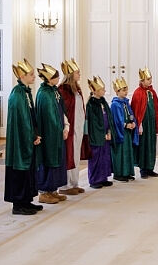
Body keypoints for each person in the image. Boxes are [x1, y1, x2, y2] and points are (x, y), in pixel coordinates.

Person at [4, 59, 43, 215]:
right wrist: (32, 136)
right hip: (21, 141)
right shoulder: (18, 94)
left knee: (29, 170)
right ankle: (18, 204)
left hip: (29, 138)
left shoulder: (26, 92)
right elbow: (22, 120)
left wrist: (36, 133)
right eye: (31, 74)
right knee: (21, 170)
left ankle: (27, 200)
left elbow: (31, 116)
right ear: (22, 76)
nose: (34, 77)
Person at [35, 63, 68, 204]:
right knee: (49, 159)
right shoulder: (43, 94)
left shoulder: (54, 91)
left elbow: (61, 110)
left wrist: (65, 127)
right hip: (49, 134)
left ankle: (53, 190)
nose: (58, 78)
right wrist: (57, 129)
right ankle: (44, 192)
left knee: (57, 160)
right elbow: (48, 116)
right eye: (56, 77)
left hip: (57, 132)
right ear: (49, 79)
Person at [58, 58, 85, 196]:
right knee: (68, 155)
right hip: (70, 127)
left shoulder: (77, 89)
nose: (79, 74)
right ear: (70, 74)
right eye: (77, 72)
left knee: (75, 155)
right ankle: (65, 185)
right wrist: (66, 126)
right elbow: (62, 110)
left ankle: (74, 183)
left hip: (78, 127)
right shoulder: (63, 90)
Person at [131, 68, 158, 179]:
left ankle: (150, 168)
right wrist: (139, 124)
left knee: (151, 145)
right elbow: (135, 111)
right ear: (142, 80)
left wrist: (157, 124)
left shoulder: (152, 92)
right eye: (148, 79)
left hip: (151, 124)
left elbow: (156, 108)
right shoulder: (137, 93)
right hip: (143, 125)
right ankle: (143, 169)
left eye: (151, 79)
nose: (150, 81)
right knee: (144, 146)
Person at [85, 76, 114, 189]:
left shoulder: (103, 102)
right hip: (97, 136)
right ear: (95, 91)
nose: (105, 91)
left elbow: (109, 117)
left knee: (105, 156)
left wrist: (109, 131)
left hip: (106, 134)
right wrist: (101, 134)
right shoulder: (91, 104)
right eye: (102, 89)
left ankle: (103, 178)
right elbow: (93, 122)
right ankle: (94, 180)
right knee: (96, 157)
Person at [110, 78, 139, 182]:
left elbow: (130, 114)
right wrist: (126, 125)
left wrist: (133, 122)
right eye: (123, 90)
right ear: (117, 91)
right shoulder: (115, 104)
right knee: (120, 152)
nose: (126, 92)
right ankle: (119, 173)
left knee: (127, 151)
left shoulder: (126, 103)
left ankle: (127, 172)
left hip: (127, 132)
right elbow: (116, 120)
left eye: (126, 90)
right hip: (120, 132)